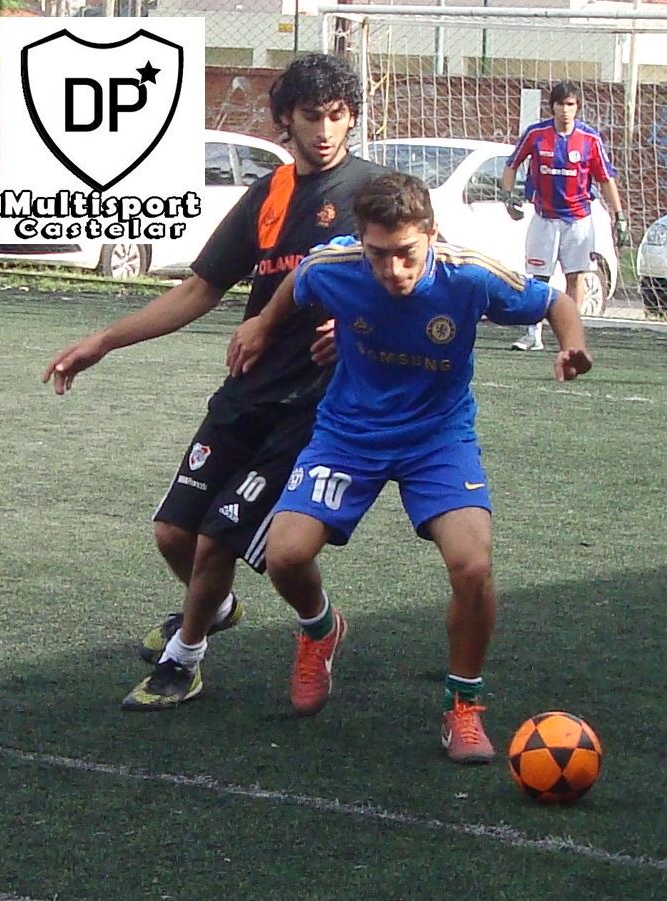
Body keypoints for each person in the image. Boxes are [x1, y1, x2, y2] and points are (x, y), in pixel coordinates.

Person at [42, 53, 386, 711]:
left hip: (313, 406)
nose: (324, 130)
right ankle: (223, 607)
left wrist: (355, 327)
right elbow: (200, 288)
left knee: (216, 540)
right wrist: (103, 341)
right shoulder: (269, 194)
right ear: (284, 119)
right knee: (174, 534)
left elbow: (415, 280)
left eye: (337, 116)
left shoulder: (373, 192)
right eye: (310, 116)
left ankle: (184, 659)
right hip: (247, 389)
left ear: (351, 118)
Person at [227, 172, 592, 764]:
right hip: (348, 435)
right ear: (361, 242)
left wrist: (572, 344)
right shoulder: (336, 266)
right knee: (285, 555)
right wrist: (262, 325)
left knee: (473, 565)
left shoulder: (468, 275)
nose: (392, 270)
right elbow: (300, 279)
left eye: (405, 254)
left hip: (437, 440)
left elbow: (555, 300)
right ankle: (320, 629)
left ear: (431, 234)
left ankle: (463, 705)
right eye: (377, 254)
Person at [501, 80, 627, 351]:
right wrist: (507, 197)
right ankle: (533, 334)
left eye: (570, 104)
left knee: (575, 277)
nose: (565, 110)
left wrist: (620, 215)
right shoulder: (536, 134)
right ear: (552, 107)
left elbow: (605, 179)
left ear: (577, 107)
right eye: (560, 104)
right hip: (544, 218)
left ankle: (570, 338)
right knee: (538, 278)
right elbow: (511, 165)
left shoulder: (590, 139)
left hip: (578, 220)